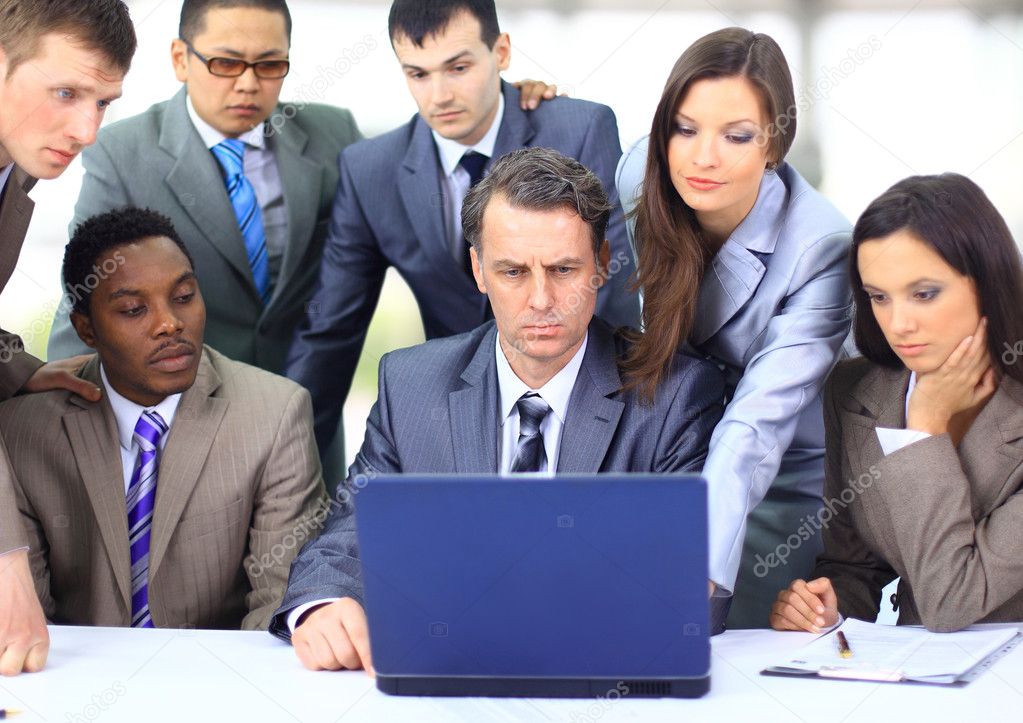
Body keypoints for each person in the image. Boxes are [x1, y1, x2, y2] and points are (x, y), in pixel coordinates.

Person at [269, 147, 725, 672]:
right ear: (478, 270)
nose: (540, 299)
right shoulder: (411, 386)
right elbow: (350, 534)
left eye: (563, 269)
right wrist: (322, 605)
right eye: (512, 272)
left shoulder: (674, 395)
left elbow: (687, 584)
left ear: (601, 265)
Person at [285, 0, 641, 474]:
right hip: (453, 416)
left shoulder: (577, 127)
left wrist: (616, 432)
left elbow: (610, 292)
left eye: (458, 67)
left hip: (579, 396)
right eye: (418, 74)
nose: (440, 95)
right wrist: (280, 466)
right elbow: (330, 333)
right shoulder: (372, 170)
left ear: (502, 52)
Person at [615, 27, 852, 627]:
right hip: (675, 460)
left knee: (738, 654)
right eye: (685, 128)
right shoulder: (639, 180)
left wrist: (699, 570)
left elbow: (754, 429)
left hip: (779, 480)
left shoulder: (819, 247)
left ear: (775, 146)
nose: (702, 157)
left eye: (737, 136)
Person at [0, 207, 327, 631]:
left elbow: (278, 608)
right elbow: (27, 620)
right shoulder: (22, 430)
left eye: (184, 296)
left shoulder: (276, 414)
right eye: (134, 310)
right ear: (86, 329)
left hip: (219, 681)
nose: (170, 324)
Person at [46, 0, 362, 375]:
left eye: (270, 65)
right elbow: (86, 290)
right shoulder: (123, 154)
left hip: (307, 403)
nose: (248, 83)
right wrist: (70, 403)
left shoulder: (334, 135)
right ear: (181, 59)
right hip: (186, 404)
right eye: (226, 63)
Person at [771, 173, 1023, 633]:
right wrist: (828, 607)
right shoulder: (855, 391)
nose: (898, 323)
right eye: (878, 298)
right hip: (915, 680)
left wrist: (923, 429)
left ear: (987, 281)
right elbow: (857, 568)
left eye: (924, 294)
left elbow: (950, 601)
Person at [0, 0, 136, 676]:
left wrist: (14, 367)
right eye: (65, 92)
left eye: (102, 102)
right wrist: (6, 562)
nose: (86, 129)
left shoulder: (13, 167)